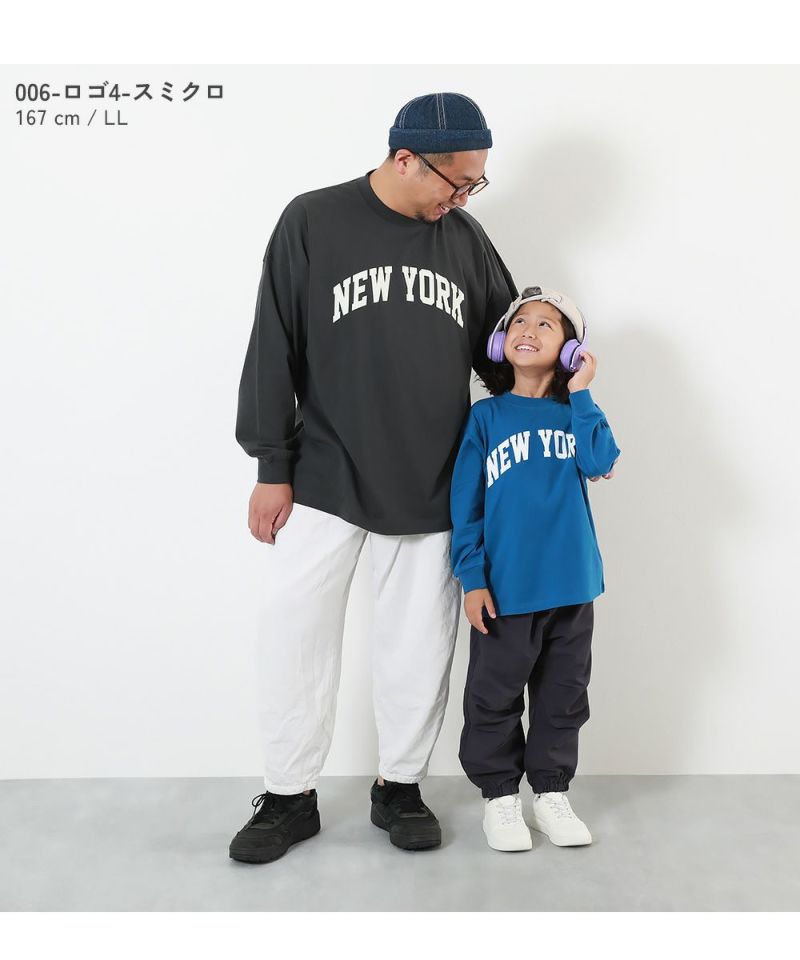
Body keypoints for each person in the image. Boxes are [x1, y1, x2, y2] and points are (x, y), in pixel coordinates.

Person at [230, 93, 519, 864]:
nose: (464, 198)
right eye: (457, 182)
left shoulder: (464, 240)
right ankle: (288, 796)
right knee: (292, 632)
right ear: (405, 158)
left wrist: (553, 390)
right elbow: (273, 343)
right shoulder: (313, 220)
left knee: (418, 643)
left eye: (475, 184)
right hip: (324, 470)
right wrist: (271, 465)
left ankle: (400, 786)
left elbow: (505, 350)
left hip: (433, 475)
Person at [450, 286, 620, 852]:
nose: (528, 329)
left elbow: (600, 461)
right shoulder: (485, 417)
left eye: (547, 324)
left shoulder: (576, 413)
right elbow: (466, 507)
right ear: (501, 342)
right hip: (506, 589)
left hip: (572, 586)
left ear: (570, 349)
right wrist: (472, 578)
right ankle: (500, 799)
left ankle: (550, 794)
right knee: (493, 697)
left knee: (563, 697)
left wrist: (583, 391)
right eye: (520, 321)